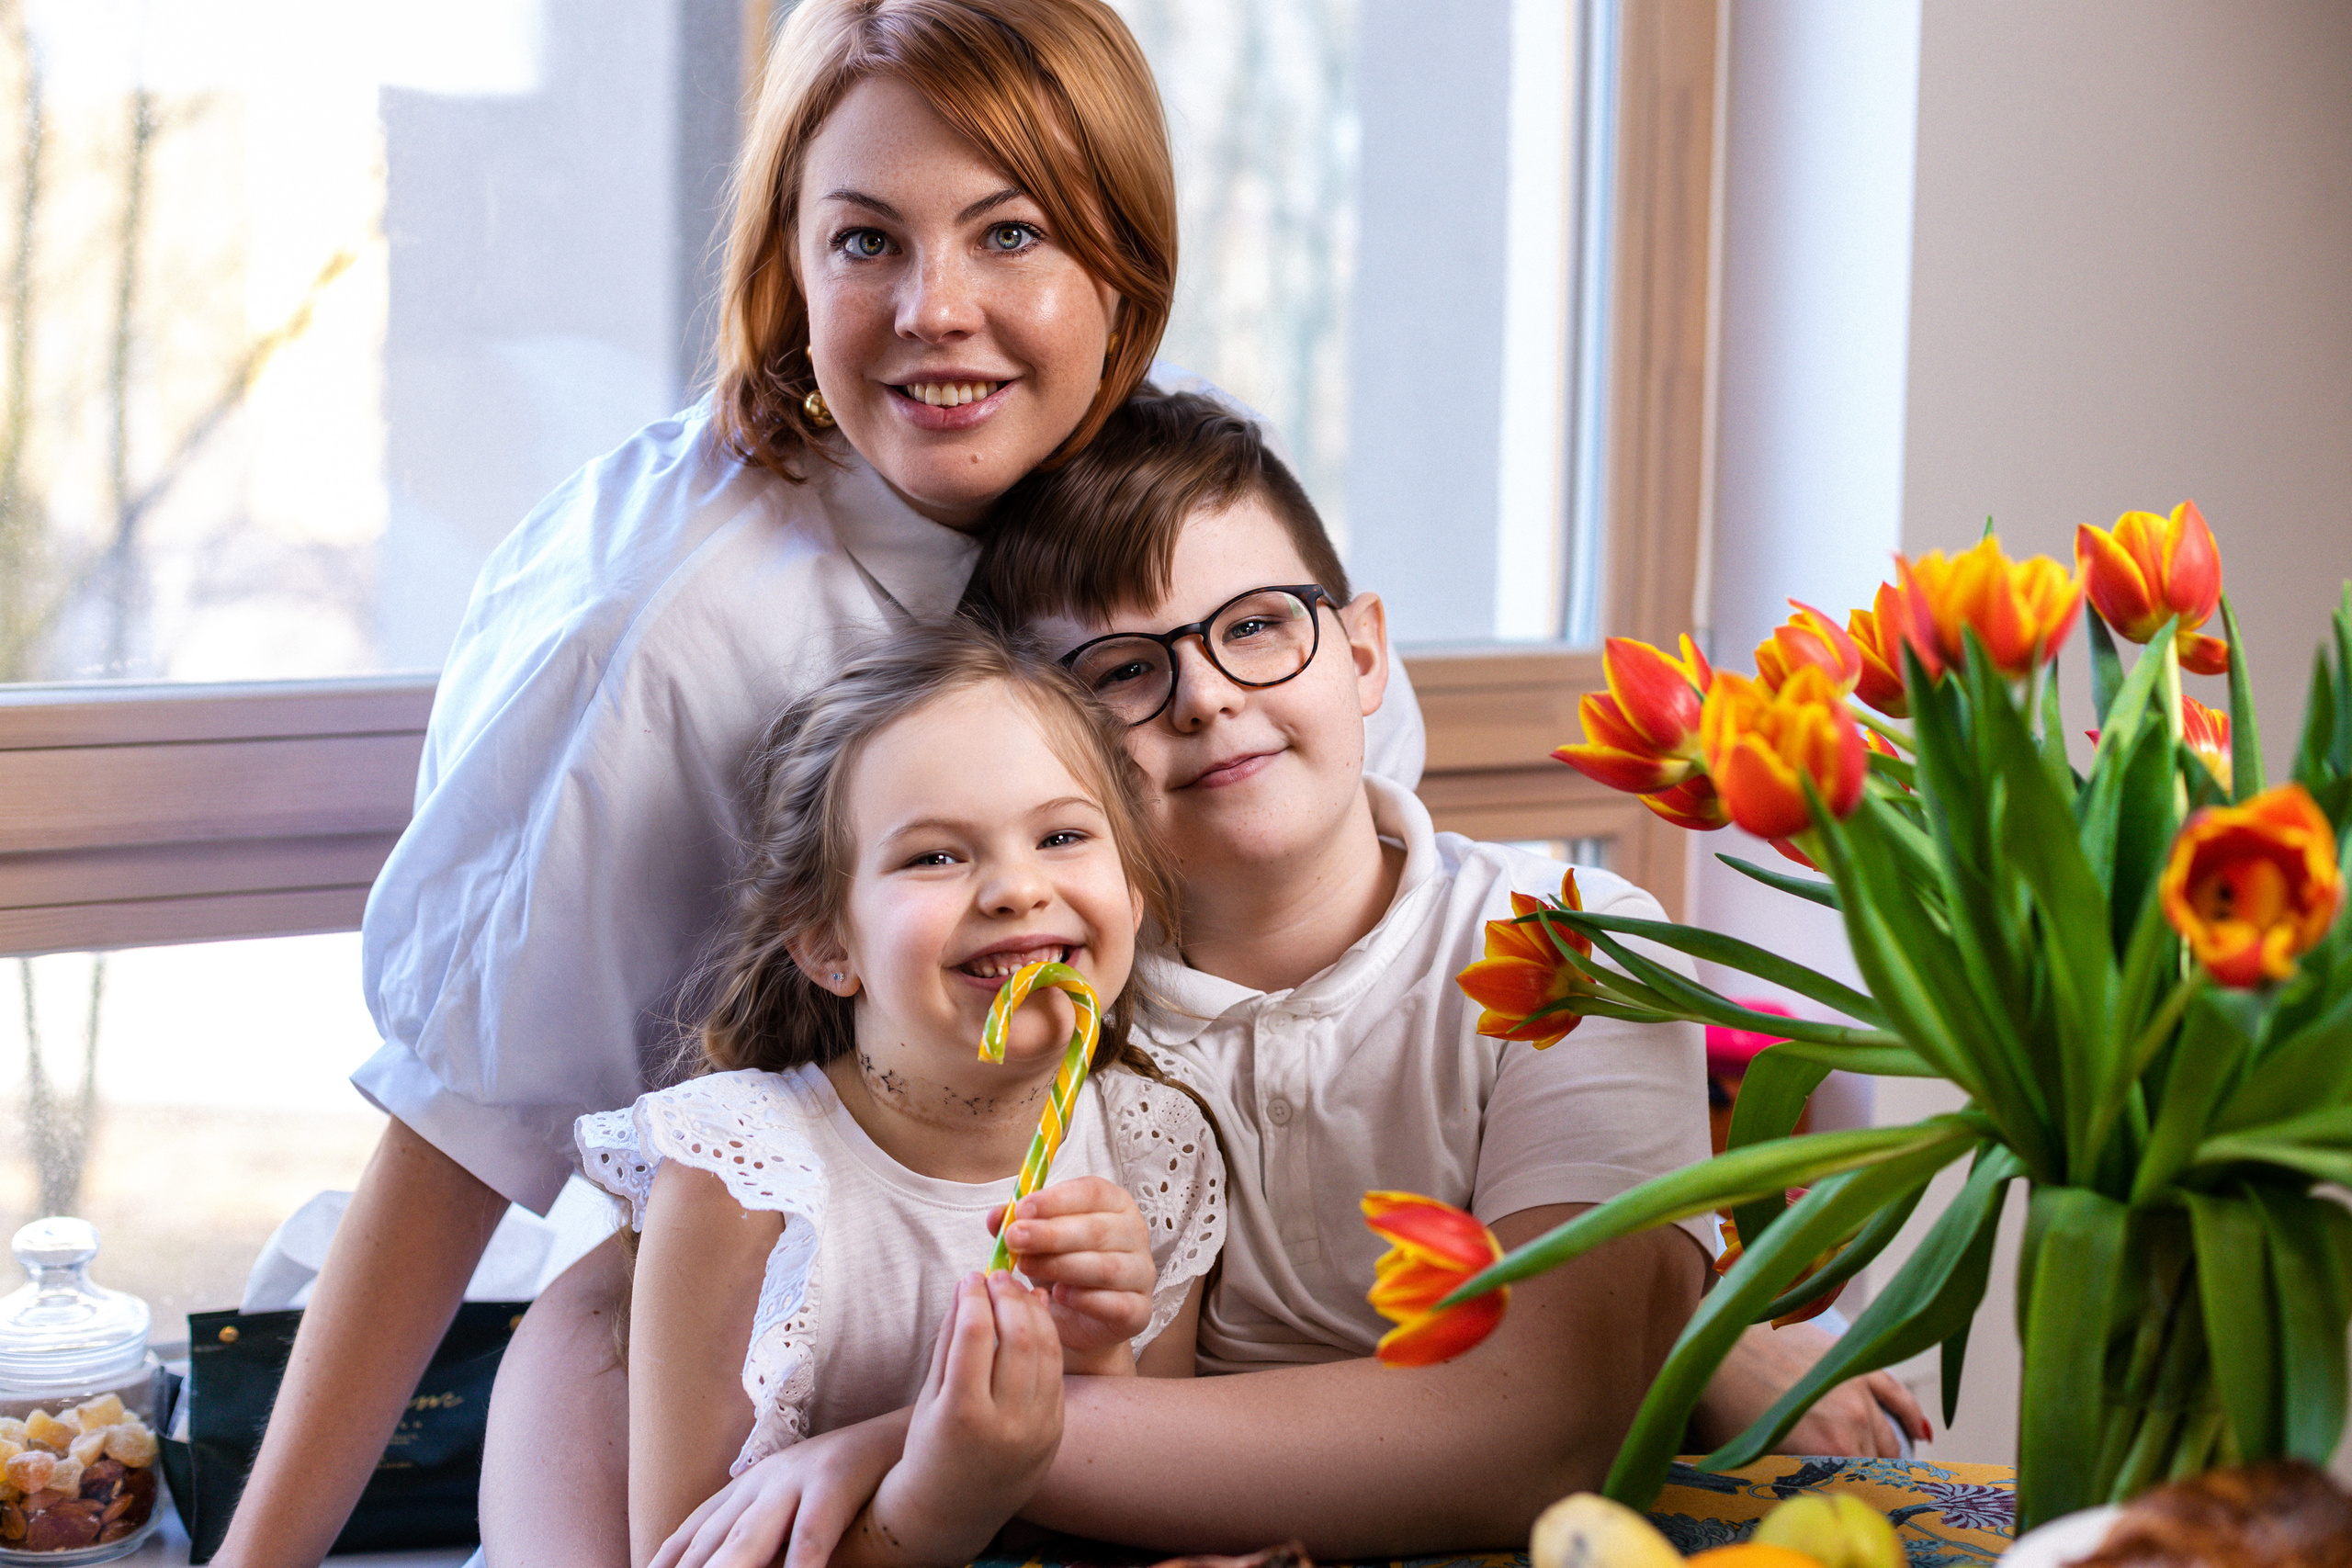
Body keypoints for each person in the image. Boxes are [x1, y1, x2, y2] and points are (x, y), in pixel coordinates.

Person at [211, 5, 1418, 1564]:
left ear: (1121, 258)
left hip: (1093, 1264)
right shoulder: (665, 633)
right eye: (866, 243)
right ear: (787, 262)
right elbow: (464, 1123)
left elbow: (1362, 932)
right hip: (734, 1296)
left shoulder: (1167, 500)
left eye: (1011, 231)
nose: (939, 310)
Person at [650, 391, 1928, 1566]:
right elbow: (704, 1249)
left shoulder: (1572, 939)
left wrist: (921, 1440)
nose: (1206, 695)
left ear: (1363, 652)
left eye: (1258, 624)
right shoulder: (1040, 994)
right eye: (1123, 673)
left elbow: (1533, 1439)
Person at [585, 626, 1221, 1568]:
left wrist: (1096, 1363)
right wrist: (934, 1502)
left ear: (1132, 892)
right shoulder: (743, 1180)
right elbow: (688, 1553)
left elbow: (1138, 1512)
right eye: (933, 857)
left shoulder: (1152, 1147)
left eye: (1061, 836)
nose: (1014, 887)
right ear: (825, 945)